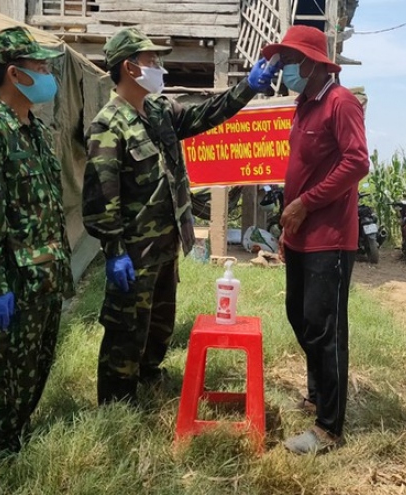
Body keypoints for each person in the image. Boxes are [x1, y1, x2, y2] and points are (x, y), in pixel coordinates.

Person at [82, 28, 280, 405]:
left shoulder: (158, 110)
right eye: (151, 60)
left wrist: (248, 89)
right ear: (129, 67)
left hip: (165, 241)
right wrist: (113, 250)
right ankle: (117, 402)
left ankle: (150, 374)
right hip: (133, 250)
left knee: (159, 319)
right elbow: (99, 196)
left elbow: (205, 116)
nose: (159, 66)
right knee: (126, 327)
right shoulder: (109, 124)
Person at [0, 27, 74, 464]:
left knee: (34, 370)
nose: (47, 74)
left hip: (45, 275)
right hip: (14, 282)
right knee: (4, 376)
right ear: (15, 73)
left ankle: (16, 440)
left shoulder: (34, 130)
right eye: (40, 66)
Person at [261, 25, 370, 454]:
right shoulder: (304, 104)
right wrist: (292, 221)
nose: (285, 67)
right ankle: (316, 393)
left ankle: (330, 428)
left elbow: (357, 162)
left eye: (289, 59)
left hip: (330, 238)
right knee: (299, 316)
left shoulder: (340, 103)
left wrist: (306, 202)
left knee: (326, 329)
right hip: (301, 235)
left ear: (311, 62)